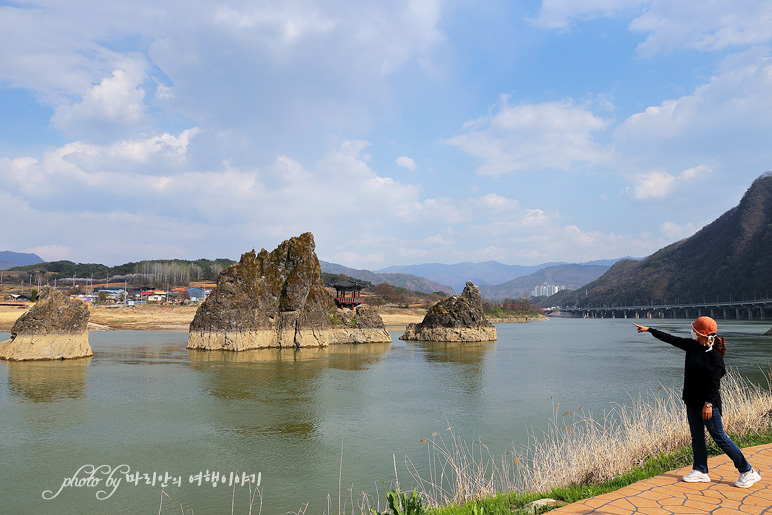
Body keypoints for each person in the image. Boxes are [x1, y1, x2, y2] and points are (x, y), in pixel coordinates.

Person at [633, 316, 761, 488]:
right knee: (697, 436)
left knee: (720, 437)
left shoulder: (715, 356)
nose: (691, 331)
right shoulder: (693, 346)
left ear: (701, 333)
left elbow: (714, 384)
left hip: (707, 405)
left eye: (694, 329)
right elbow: (671, 339)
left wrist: (708, 404)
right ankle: (700, 470)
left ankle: (747, 470)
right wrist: (650, 330)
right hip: (691, 400)